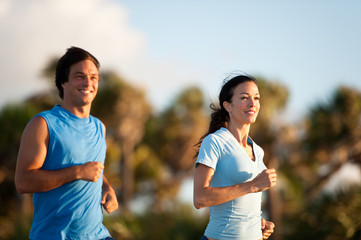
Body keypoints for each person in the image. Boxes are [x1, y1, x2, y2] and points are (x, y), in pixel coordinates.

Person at [15, 46, 118, 240]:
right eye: (80, 76)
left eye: (94, 77)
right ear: (63, 81)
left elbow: (95, 170)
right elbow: (23, 182)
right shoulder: (43, 124)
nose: (88, 82)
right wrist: (77, 172)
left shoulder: (99, 127)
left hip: (98, 235)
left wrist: (107, 188)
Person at [193, 74, 277, 240]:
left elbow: (243, 206)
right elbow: (200, 199)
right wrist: (252, 185)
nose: (252, 103)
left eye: (256, 98)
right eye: (244, 98)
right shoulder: (215, 142)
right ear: (228, 106)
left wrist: (257, 224)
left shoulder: (258, 151)